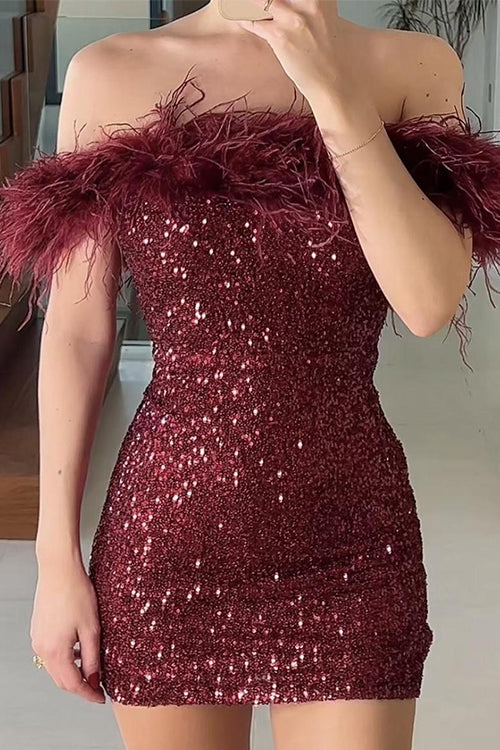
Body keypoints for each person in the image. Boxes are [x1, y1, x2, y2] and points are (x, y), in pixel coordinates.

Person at [1, 1, 499, 748]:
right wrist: (55, 560)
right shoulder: (112, 73)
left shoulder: (417, 69)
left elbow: (428, 302)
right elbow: (77, 334)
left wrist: (330, 86)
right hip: (167, 543)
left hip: (353, 544)